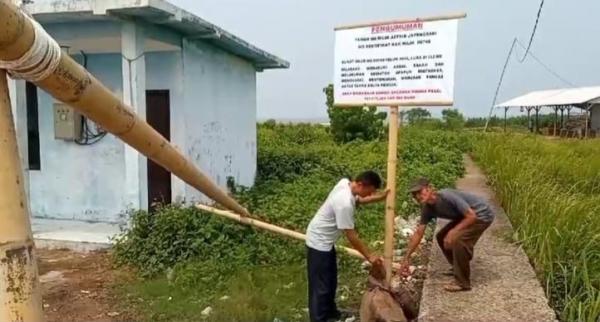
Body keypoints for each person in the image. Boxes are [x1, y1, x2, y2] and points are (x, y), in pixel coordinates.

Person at [305, 171, 388, 322]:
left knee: (330, 280)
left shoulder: (345, 183)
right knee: (320, 286)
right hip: (318, 243)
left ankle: (331, 312)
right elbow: (351, 237)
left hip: (326, 243)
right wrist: (369, 256)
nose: (371, 194)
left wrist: (379, 198)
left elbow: (358, 200)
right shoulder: (344, 204)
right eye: (370, 191)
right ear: (361, 184)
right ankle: (319, 318)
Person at [399, 177, 495, 292]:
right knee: (441, 236)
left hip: (482, 214)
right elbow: (419, 233)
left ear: (430, 188)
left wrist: (454, 231)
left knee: (459, 240)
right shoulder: (427, 208)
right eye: (414, 195)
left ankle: (462, 282)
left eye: (420, 192)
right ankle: (456, 266)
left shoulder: (447, 196)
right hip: (465, 216)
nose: (418, 196)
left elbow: (472, 216)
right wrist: (406, 258)